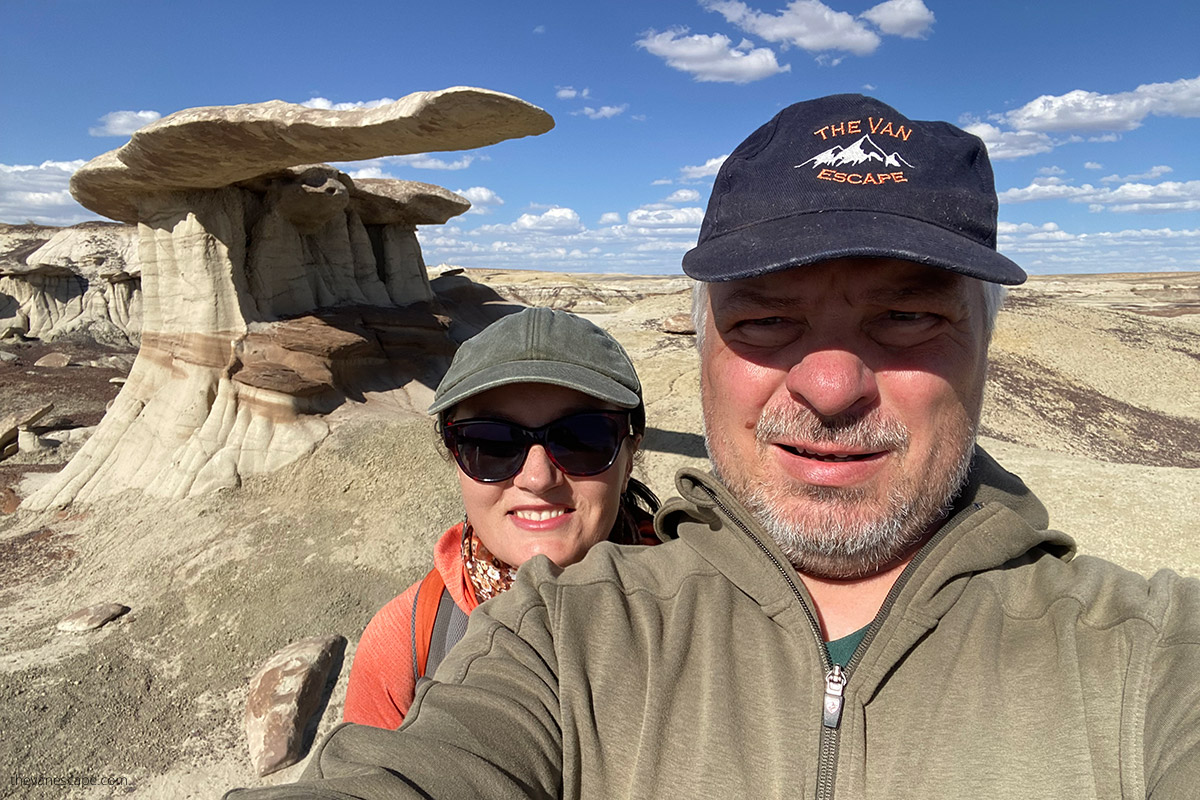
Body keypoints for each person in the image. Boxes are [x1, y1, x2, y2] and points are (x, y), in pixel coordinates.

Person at [228, 95, 1200, 798]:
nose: (829, 384)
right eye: (767, 319)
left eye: (906, 315)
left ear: (988, 348)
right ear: (701, 349)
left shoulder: (1146, 659)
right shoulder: (566, 636)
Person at [343, 306, 659, 729]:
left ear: (629, 458)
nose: (537, 477)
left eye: (583, 438)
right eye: (492, 442)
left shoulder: (700, 600)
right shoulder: (406, 643)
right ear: (455, 458)